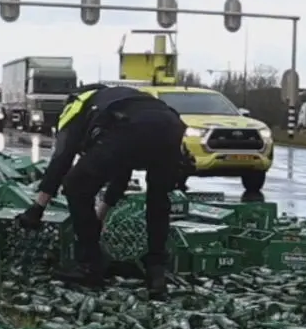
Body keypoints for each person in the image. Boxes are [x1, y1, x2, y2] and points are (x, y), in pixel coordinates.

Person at [15, 83, 189, 300]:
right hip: (170, 126)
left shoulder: (77, 105)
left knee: (75, 185)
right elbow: (122, 170)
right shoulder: (121, 99)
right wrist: (101, 214)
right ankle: (156, 274)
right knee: (158, 199)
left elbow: (62, 158)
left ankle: (90, 266)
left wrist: (37, 207)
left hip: (128, 128)